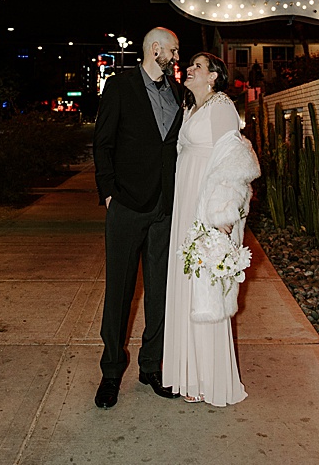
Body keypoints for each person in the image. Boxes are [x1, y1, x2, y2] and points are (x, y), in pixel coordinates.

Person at [93, 27, 184, 408]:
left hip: (166, 208)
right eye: (174, 51)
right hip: (128, 206)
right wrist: (110, 193)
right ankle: (111, 372)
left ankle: (151, 367)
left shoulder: (178, 93)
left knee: (161, 294)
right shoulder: (120, 86)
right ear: (156, 49)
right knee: (119, 293)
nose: (177, 57)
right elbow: (102, 143)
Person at [162, 52, 260, 406]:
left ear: (214, 77)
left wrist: (222, 220)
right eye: (189, 66)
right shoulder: (192, 108)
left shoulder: (221, 107)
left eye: (198, 67)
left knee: (205, 286)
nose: (190, 69)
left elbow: (233, 163)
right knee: (187, 286)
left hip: (207, 208)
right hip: (185, 204)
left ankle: (210, 379)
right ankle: (186, 373)